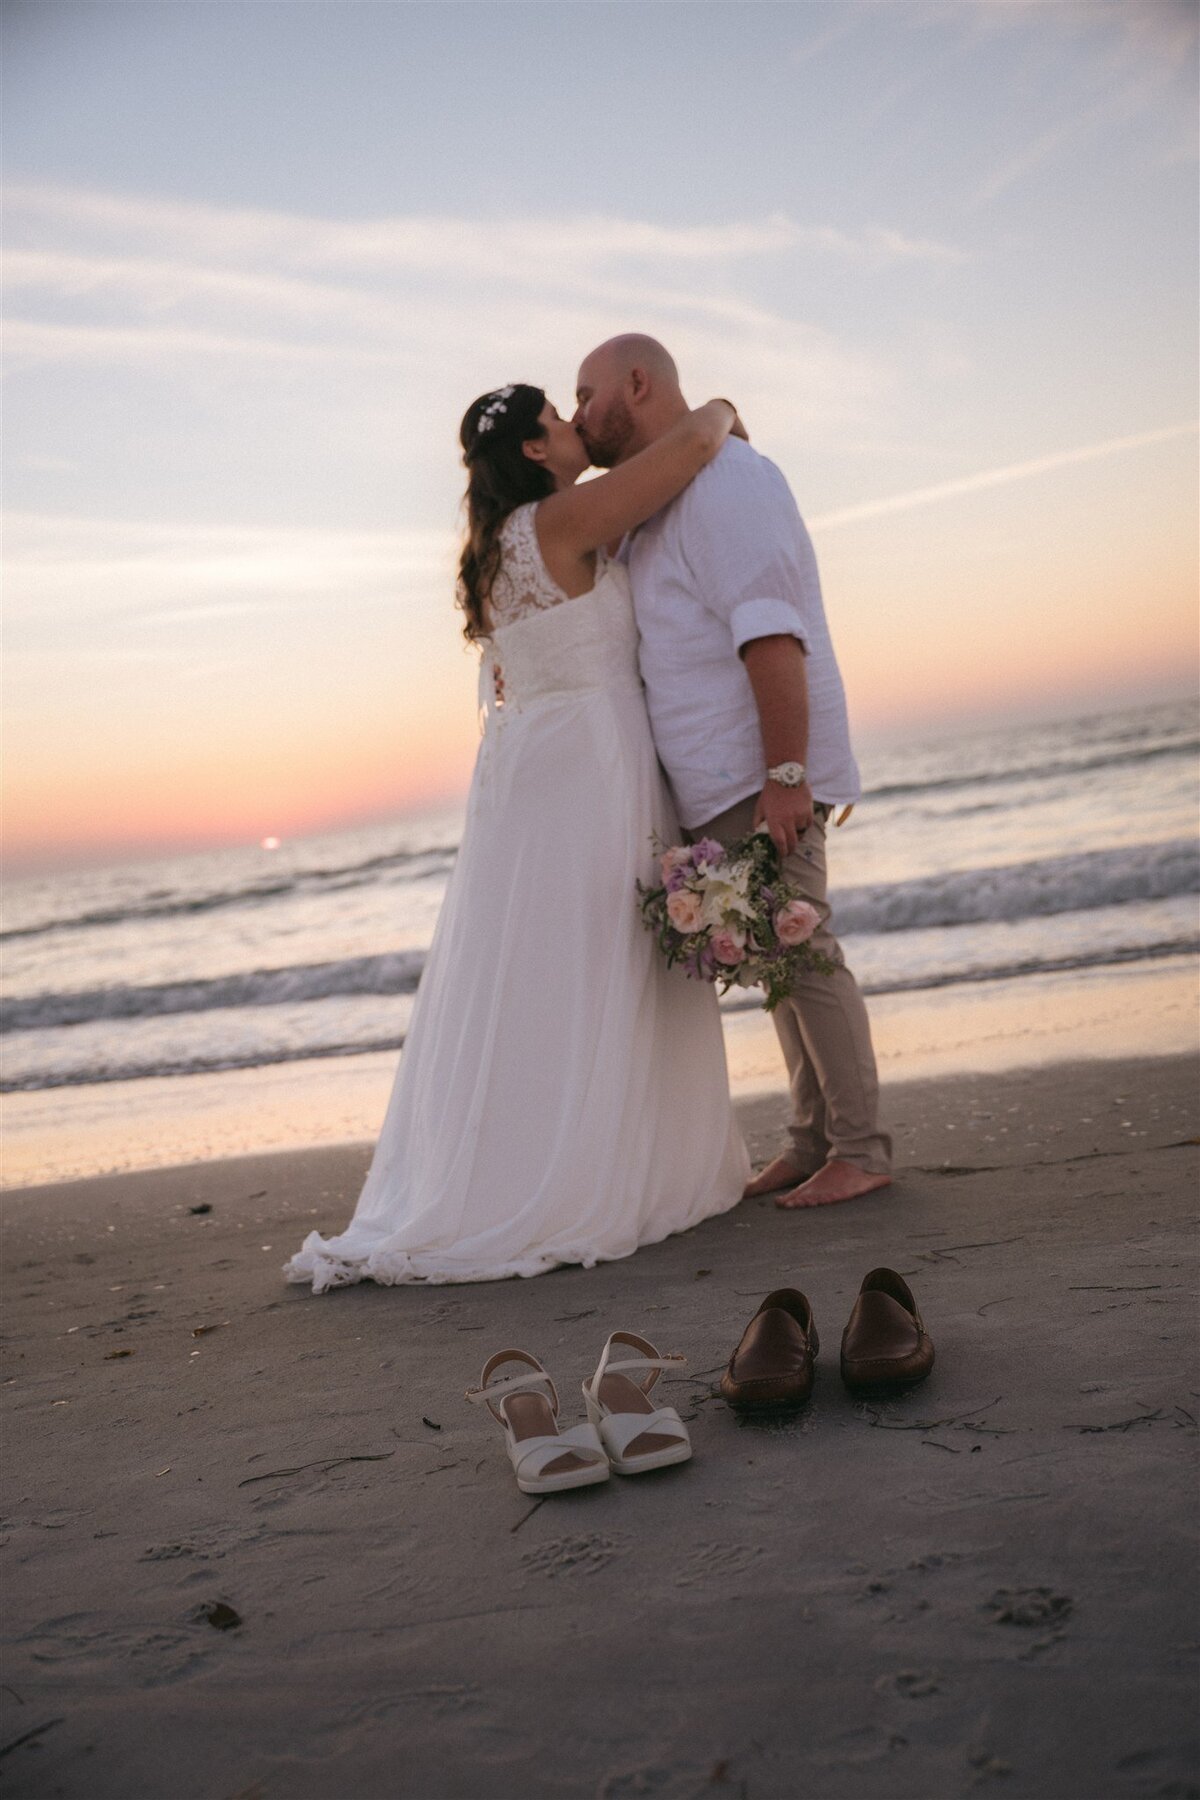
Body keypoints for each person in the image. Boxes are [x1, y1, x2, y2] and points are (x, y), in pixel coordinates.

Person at [286, 383, 750, 1290]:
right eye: (563, 418)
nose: (580, 427)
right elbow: (692, 447)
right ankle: (585, 1167)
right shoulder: (561, 519)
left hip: (543, 768)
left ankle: (555, 1149)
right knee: (594, 958)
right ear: (538, 450)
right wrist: (727, 407)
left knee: (545, 968)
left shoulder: (505, 543)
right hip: (588, 763)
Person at [573, 336, 892, 1209]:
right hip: (721, 781)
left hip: (762, 773)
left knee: (803, 950)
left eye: (586, 393)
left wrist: (787, 774)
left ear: (638, 386)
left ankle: (861, 1148)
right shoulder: (666, 498)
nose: (575, 415)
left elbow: (770, 632)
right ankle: (811, 1138)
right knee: (772, 963)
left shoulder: (728, 483)